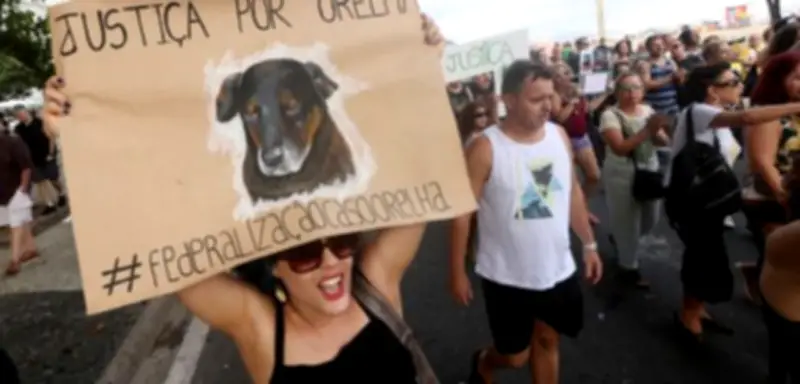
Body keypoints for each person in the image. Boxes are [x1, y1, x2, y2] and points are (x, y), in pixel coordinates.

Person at [42, 15, 446, 384]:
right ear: (276, 267)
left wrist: (420, 64)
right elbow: (160, 249)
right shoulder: (260, 328)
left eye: (342, 244)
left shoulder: (376, 285)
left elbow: (419, 176)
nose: (331, 262)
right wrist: (80, 145)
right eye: (305, 252)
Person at [449, 60, 602, 384]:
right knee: (516, 356)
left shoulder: (559, 136)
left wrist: (589, 243)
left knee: (548, 340)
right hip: (505, 275)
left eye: (551, 96)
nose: (548, 106)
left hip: (556, 268)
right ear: (509, 100)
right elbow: (462, 213)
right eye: (537, 99)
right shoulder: (485, 148)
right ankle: (485, 361)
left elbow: (571, 191)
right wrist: (457, 272)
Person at [666, 62, 800, 339]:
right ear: (712, 90)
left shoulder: (717, 113)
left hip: (708, 200)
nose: (740, 85)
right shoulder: (700, 111)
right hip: (693, 202)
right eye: (733, 82)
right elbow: (750, 117)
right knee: (701, 256)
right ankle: (688, 314)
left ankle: (696, 308)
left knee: (707, 254)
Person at [598, 72, 670, 288]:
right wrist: (648, 130)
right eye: (626, 89)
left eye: (637, 88)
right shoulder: (610, 115)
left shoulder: (647, 110)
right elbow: (619, 148)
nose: (632, 94)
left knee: (651, 217)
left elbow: (660, 142)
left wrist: (658, 132)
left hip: (649, 169)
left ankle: (621, 240)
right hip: (622, 173)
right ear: (617, 92)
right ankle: (628, 267)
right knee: (627, 220)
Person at [740, 50, 800, 303]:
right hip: (771, 200)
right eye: (797, 77)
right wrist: (787, 199)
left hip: (793, 195)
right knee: (781, 263)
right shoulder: (770, 115)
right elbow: (764, 163)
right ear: (778, 80)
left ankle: (757, 275)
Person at [0, 121, 39, 276]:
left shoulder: (13, 142)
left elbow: (26, 166)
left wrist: (23, 188)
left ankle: (14, 260)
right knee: (22, 220)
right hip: (3, 193)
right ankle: (31, 249)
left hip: (17, 189)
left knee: (15, 224)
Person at [13, 105, 66, 214]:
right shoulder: (18, 129)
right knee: (41, 182)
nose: (21, 116)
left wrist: (51, 153)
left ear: (27, 112)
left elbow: (51, 138)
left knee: (53, 179)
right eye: (18, 115)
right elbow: (19, 144)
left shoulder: (41, 123)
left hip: (47, 156)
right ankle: (49, 203)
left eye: (22, 113)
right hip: (32, 159)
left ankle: (61, 194)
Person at [638, 35, 682, 117]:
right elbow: (646, 85)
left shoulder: (671, 62)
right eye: (655, 45)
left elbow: (678, 81)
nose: (659, 47)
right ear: (648, 48)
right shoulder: (646, 64)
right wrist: (669, 78)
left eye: (661, 44)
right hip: (654, 108)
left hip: (672, 106)